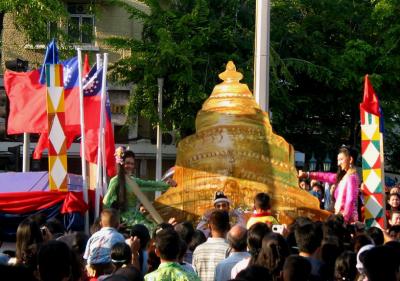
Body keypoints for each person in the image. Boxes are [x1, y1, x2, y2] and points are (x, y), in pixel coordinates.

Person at [103, 147, 174, 231]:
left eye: (132, 164)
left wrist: (167, 184)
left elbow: (150, 184)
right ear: (121, 163)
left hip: (137, 216)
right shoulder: (115, 181)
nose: (130, 166)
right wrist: (114, 223)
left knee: (156, 228)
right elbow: (106, 203)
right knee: (152, 229)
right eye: (127, 163)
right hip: (125, 220)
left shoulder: (133, 180)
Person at [299, 146, 360, 224]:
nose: (338, 163)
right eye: (338, 160)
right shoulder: (344, 177)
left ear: (350, 159)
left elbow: (350, 200)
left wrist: (344, 221)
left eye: (341, 159)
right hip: (341, 219)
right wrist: (307, 174)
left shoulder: (352, 177)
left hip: (347, 222)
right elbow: (325, 176)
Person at [84, 208, 126, 277]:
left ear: (100, 223)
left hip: (92, 268)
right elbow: (123, 254)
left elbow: (86, 256)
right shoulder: (119, 237)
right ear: (118, 224)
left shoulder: (93, 236)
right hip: (108, 267)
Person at [192, 209, 230, 281]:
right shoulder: (230, 249)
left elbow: (194, 276)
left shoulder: (198, 250)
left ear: (209, 226)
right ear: (228, 227)